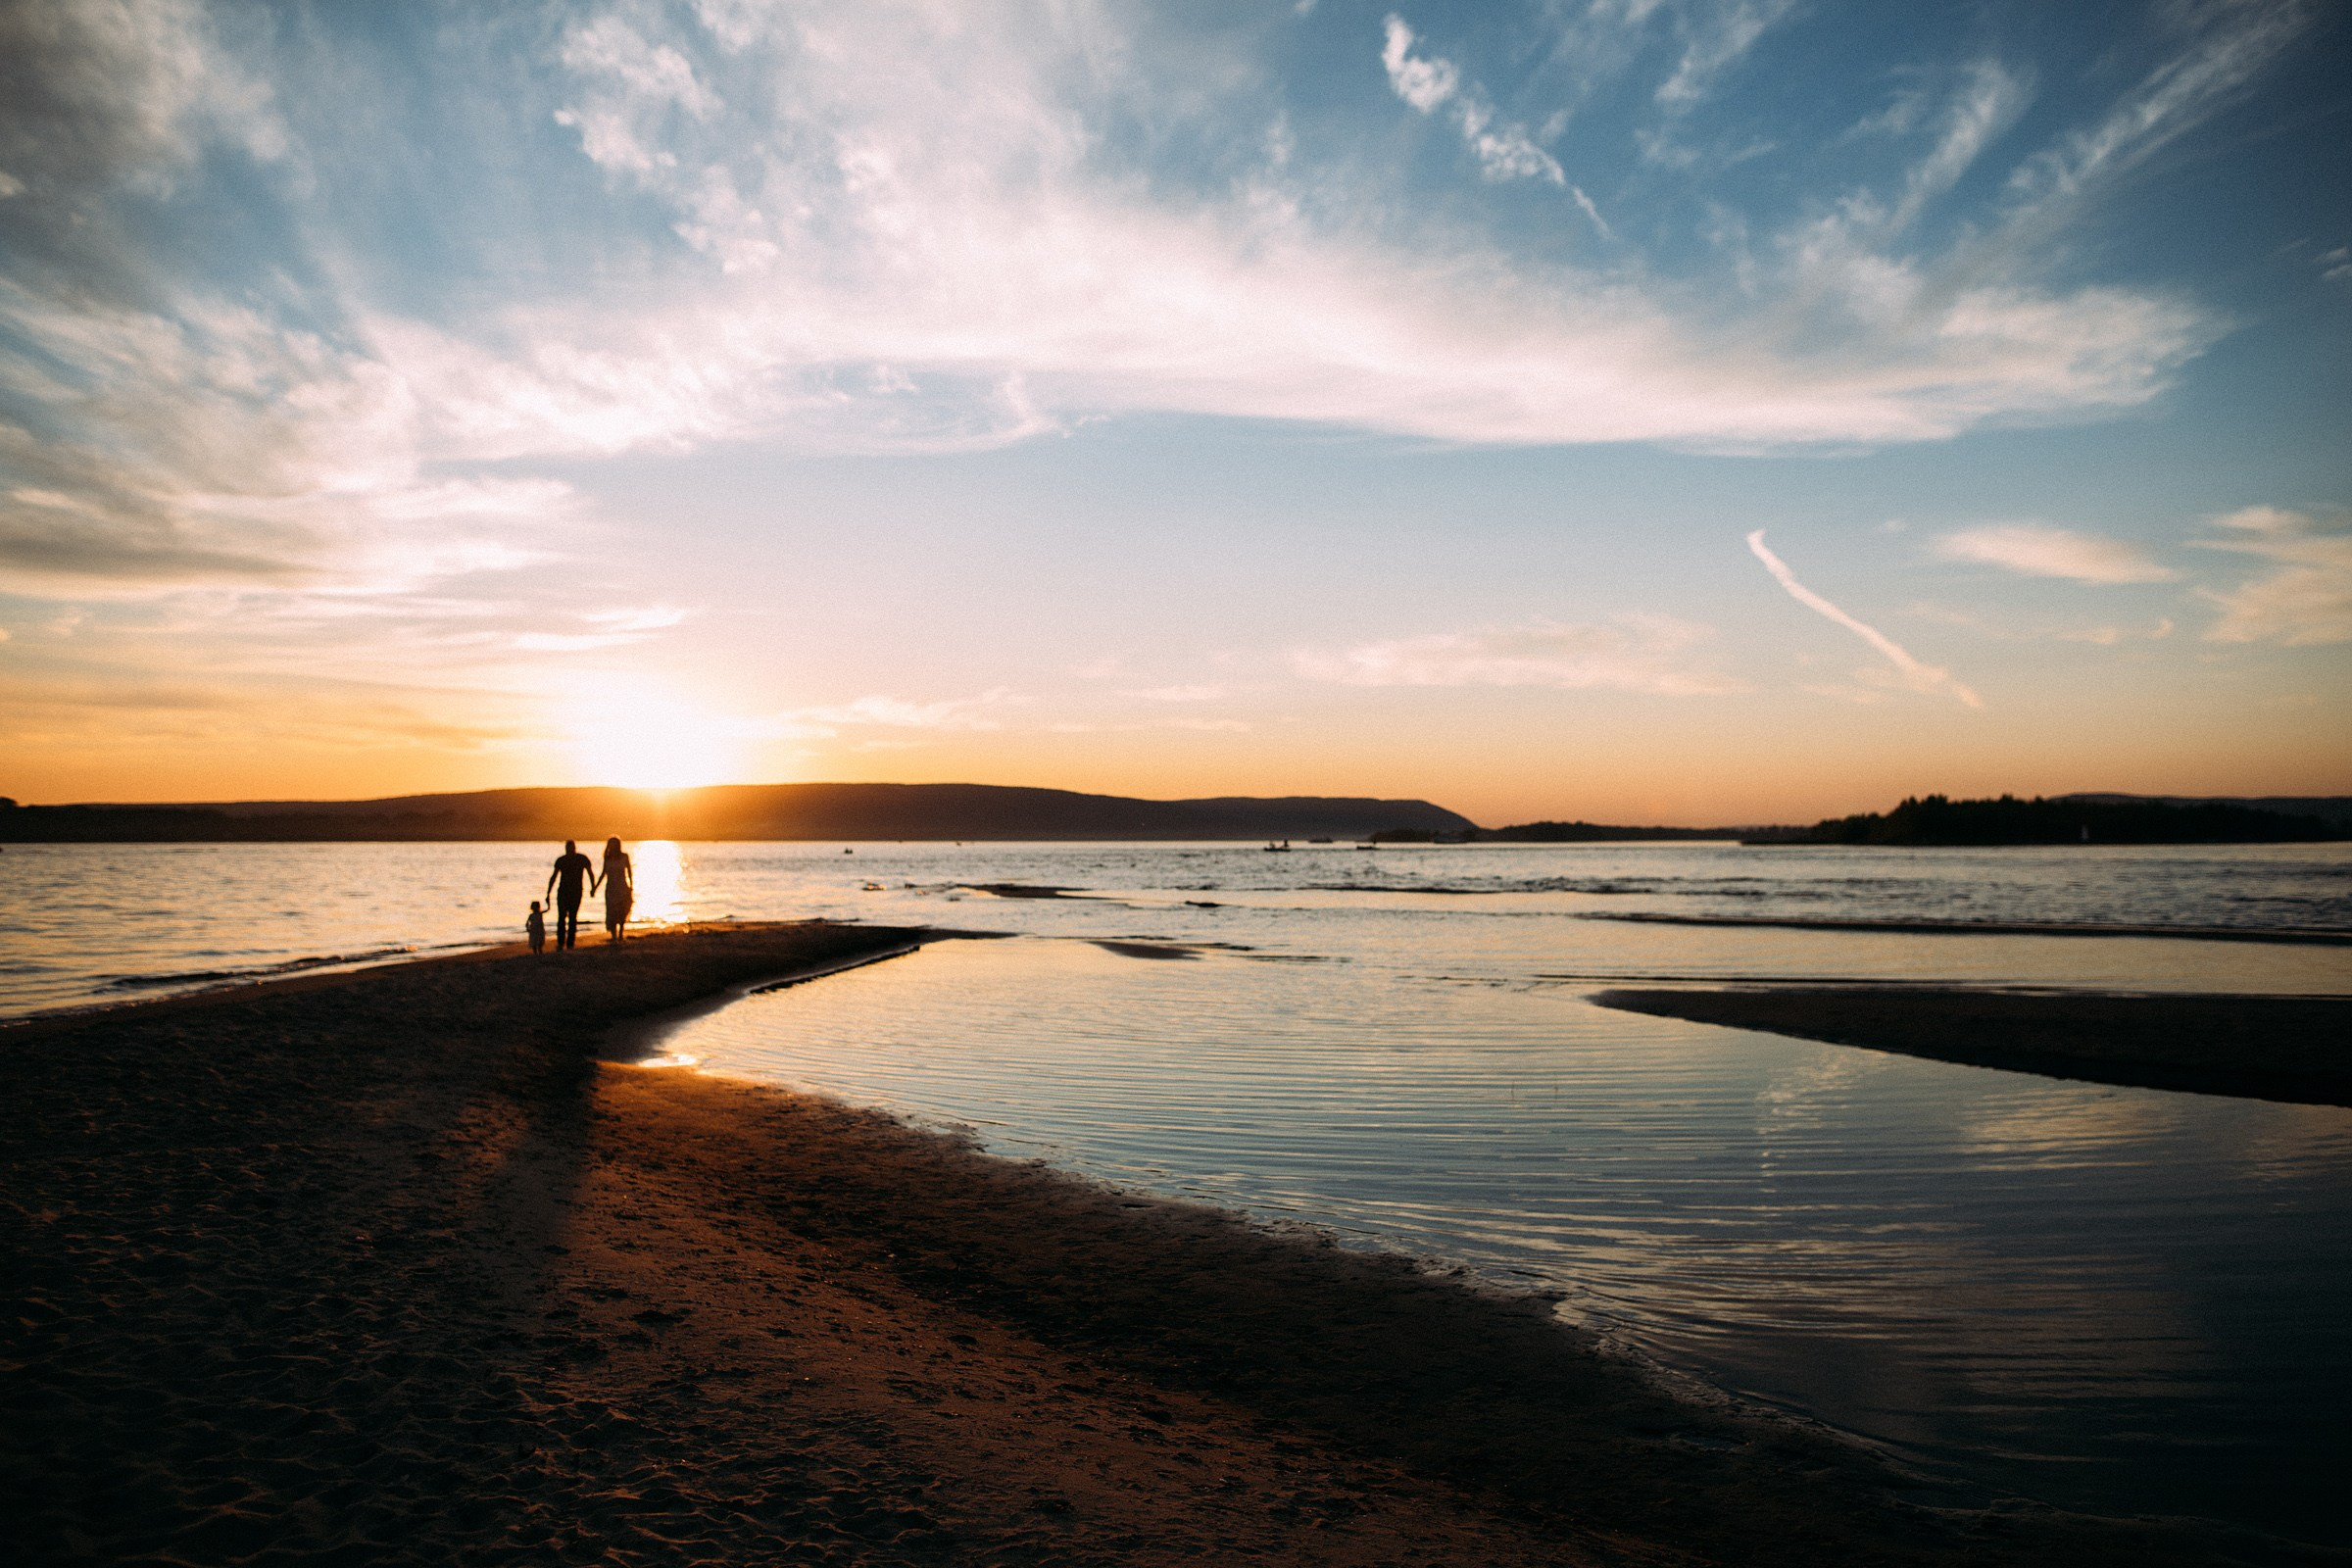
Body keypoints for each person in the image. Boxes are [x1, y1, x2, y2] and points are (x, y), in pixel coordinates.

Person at [544, 840, 594, 951]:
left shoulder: (581, 859)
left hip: (576, 892)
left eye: (571, 848)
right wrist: (548, 892)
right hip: (563, 892)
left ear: (574, 848)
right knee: (562, 917)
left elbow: (590, 873)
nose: (570, 851)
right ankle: (561, 942)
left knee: (572, 918)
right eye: (568, 849)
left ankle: (570, 943)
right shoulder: (562, 860)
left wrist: (593, 887)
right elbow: (554, 877)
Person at [594, 836, 634, 944]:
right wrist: (595, 888)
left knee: (622, 910)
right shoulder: (607, 858)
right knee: (611, 912)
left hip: (622, 887)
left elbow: (629, 871)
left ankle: (620, 933)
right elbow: (603, 873)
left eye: (614, 843)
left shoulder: (624, 857)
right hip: (611, 889)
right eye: (611, 844)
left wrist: (631, 885)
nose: (612, 846)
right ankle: (614, 935)